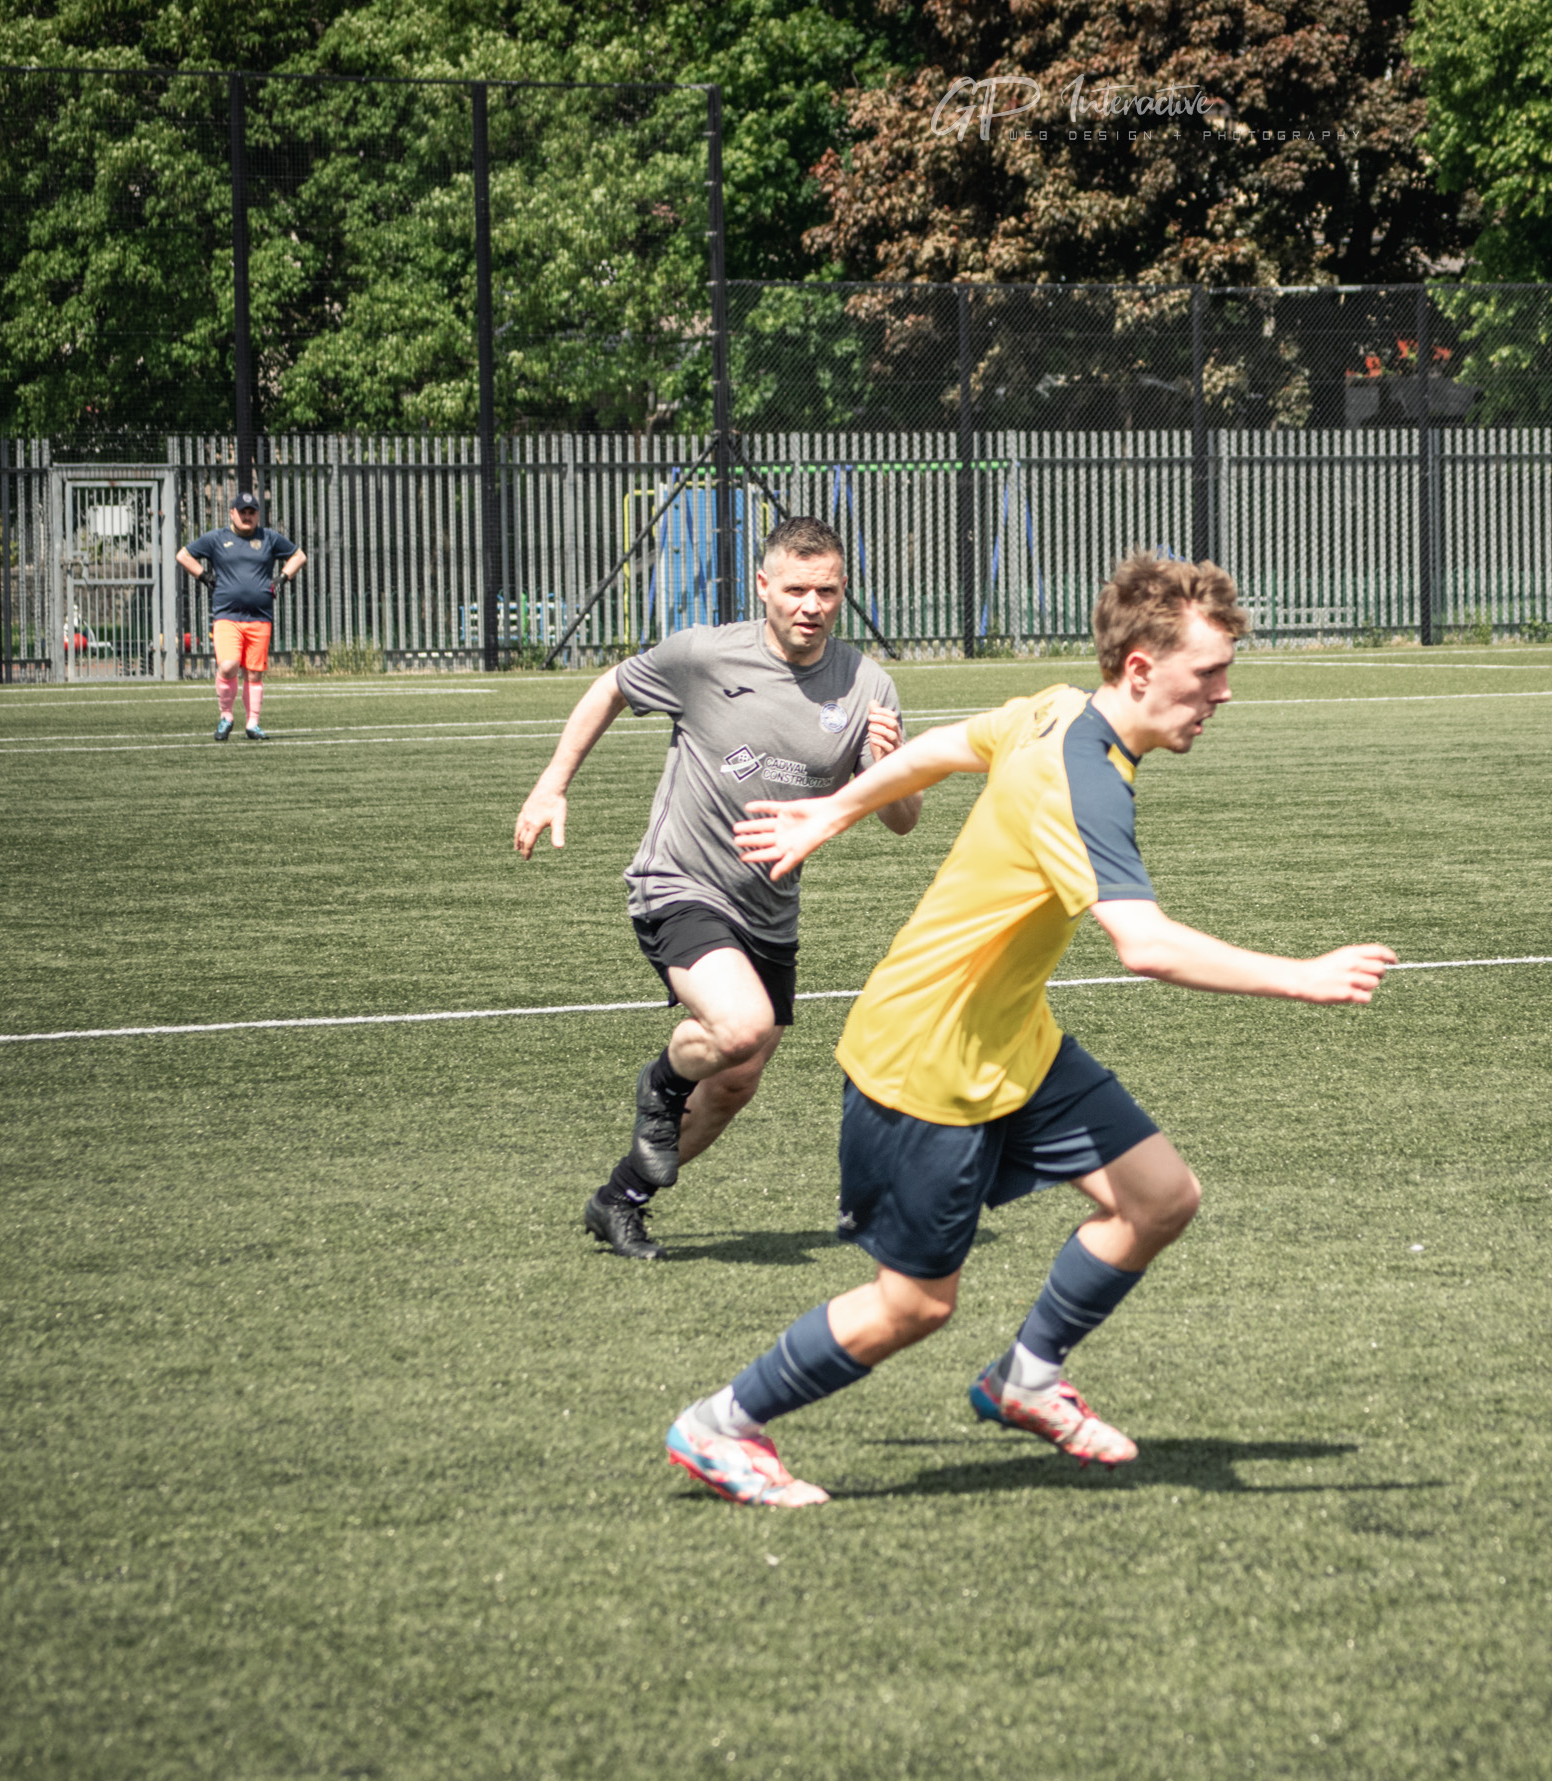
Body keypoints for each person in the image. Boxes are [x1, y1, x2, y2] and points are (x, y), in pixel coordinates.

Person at [661, 552, 1398, 1507]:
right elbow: (1143, 945)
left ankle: (1027, 1377)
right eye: (1208, 674)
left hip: (1014, 1035)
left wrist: (831, 815)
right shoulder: (1083, 780)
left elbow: (942, 748)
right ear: (1140, 668)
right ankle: (722, 1424)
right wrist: (1301, 978)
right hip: (925, 1057)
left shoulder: (1056, 707)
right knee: (915, 1305)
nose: (1222, 694)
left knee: (1159, 1198)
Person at [514, 516, 912, 1260]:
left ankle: (620, 1198)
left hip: (770, 909)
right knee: (739, 1028)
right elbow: (609, 688)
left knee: (735, 1081)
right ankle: (661, 1085)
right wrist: (551, 786)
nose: (810, 605)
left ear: (843, 592)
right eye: (795, 589)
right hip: (681, 883)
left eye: (826, 591)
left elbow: (902, 821)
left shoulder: (868, 683)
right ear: (763, 585)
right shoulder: (702, 655)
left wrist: (882, 771)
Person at [176, 491, 306, 741]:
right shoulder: (217, 538)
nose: (247, 516)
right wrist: (204, 575)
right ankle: (226, 717)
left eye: (252, 512)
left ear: (257, 515)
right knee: (228, 665)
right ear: (232, 513)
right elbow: (183, 555)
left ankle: (253, 724)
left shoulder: (269, 538)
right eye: (242, 511)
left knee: (254, 673)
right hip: (227, 615)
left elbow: (299, 556)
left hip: (260, 616)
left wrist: (282, 577)